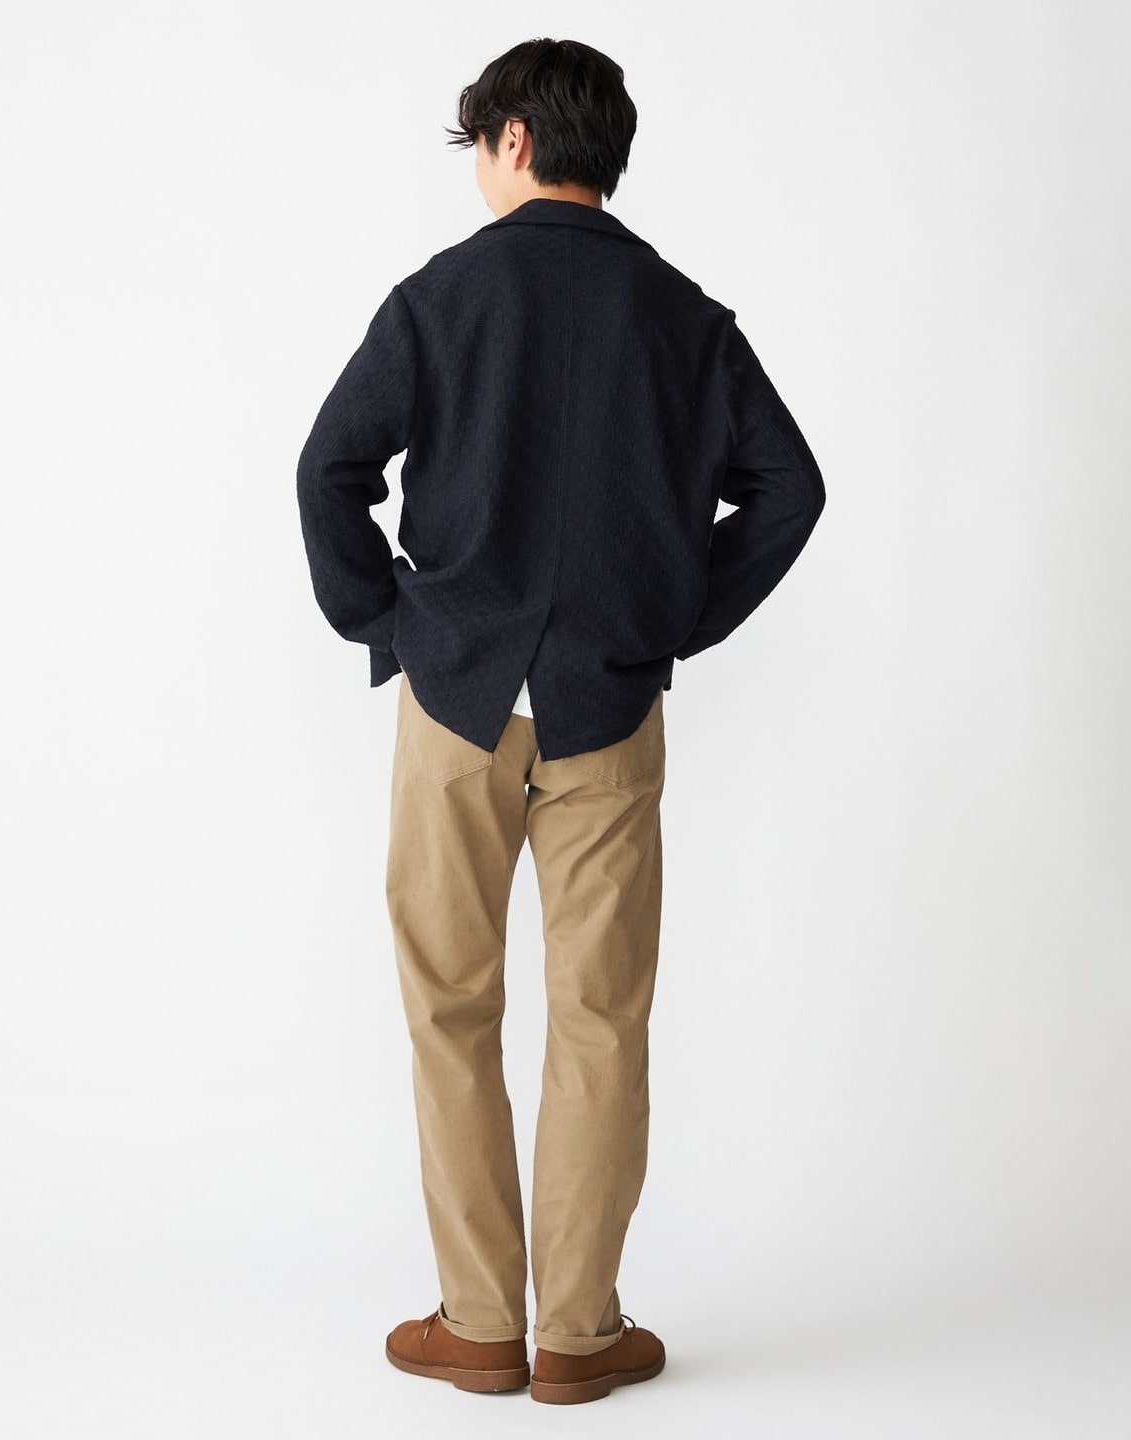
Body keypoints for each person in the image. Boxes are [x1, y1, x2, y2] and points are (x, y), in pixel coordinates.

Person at [296, 36, 825, 1405]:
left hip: (455, 707)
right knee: (600, 1018)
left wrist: (388, 624)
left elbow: (329, 466)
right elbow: (791, 488)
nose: (479, 168)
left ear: (516, 141)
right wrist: (675, 617)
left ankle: (479, 1323)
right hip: (609, 710)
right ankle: (577, 1337)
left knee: (449, 1006)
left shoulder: (442, 296)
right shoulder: (685, 319)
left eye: (480, 144)